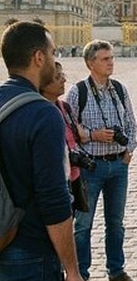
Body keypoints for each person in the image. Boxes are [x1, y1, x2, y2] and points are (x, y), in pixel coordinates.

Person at [0, 21, 88, 281]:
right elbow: (54, 202)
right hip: (30, 254)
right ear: (38, 58)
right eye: (53, 53)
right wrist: (72, 270)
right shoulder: (43, 113)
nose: (55, 59)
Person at [65, 40, 137, 281]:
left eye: (111, 58)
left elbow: (131, 123)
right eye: (105, 59)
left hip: (118, 166)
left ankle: (116, 271)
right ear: (90, 63)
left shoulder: (119, 89)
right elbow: (69, 130)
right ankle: (81, 275)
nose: (111, 62)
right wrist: (93, 135)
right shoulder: (78, 92)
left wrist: (128, 152)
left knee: (116, 223)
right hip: (91, 168)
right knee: (83, 224)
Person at [41, 61, 91, 212]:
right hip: (54, 181)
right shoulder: (39, 113)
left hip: (73, 178)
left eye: (63, 75)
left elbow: (80, 136)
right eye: (58, 77)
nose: (64, 79)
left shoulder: (65, 108)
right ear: (43, 83)